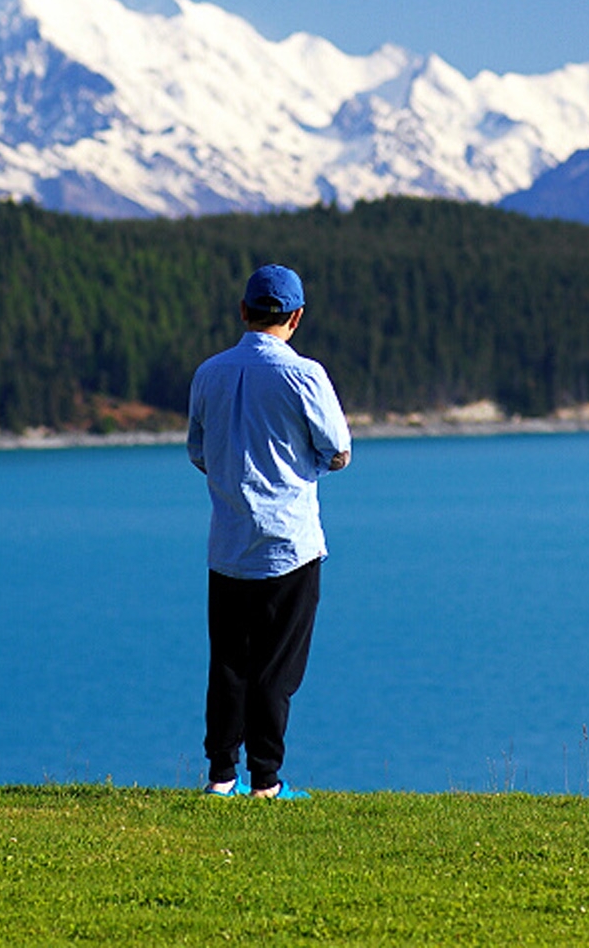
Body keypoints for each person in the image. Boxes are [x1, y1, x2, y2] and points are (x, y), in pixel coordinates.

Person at [187, 262, 352, 800]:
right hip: (290, 544)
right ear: (296, 317)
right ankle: (266, 781)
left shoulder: (209, 373)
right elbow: (339, 451)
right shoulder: (305, 376)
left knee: (228, 664)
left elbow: (198, 452)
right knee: (277, 670)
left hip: (228, 543)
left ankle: (219, 775)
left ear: (243, 311)